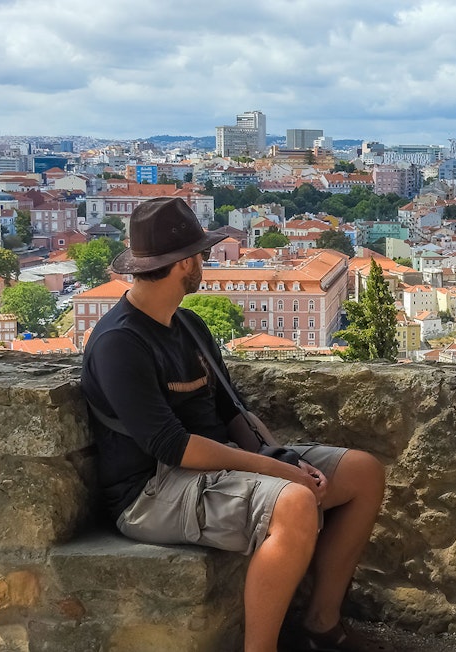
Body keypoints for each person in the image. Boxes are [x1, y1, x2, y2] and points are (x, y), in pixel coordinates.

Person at [81, 197, 385, 652]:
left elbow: (232, 412)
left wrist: (277, 454)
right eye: (202, 255)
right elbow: (173, 447)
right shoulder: (119, 343)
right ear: (184, 264)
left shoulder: (188, 326)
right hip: (151, 490)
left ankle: (321, 624)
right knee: (295, 503)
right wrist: (282, 474)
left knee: (363, 472)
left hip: (216, 467)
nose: (206, 262)